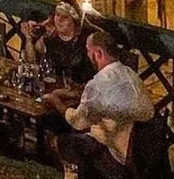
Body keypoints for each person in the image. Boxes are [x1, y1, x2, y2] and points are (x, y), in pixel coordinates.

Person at [57, 30, 155, 175]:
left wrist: (55, 101)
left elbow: (78, 122)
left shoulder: (98, 84)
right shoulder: (131, 74)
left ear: (99, 53)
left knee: (60, 142)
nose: (88, 56)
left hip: (118, 157)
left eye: (89, 51)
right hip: (145, 154)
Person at [24, 1, 96, 86]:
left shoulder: (86, 40)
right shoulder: (50, 38)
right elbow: (31, 62)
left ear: (74, 21)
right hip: (54, 87)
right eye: (57, 15)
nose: (59, 20)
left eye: (65, 17)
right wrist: (28, 38)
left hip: (80, 90)